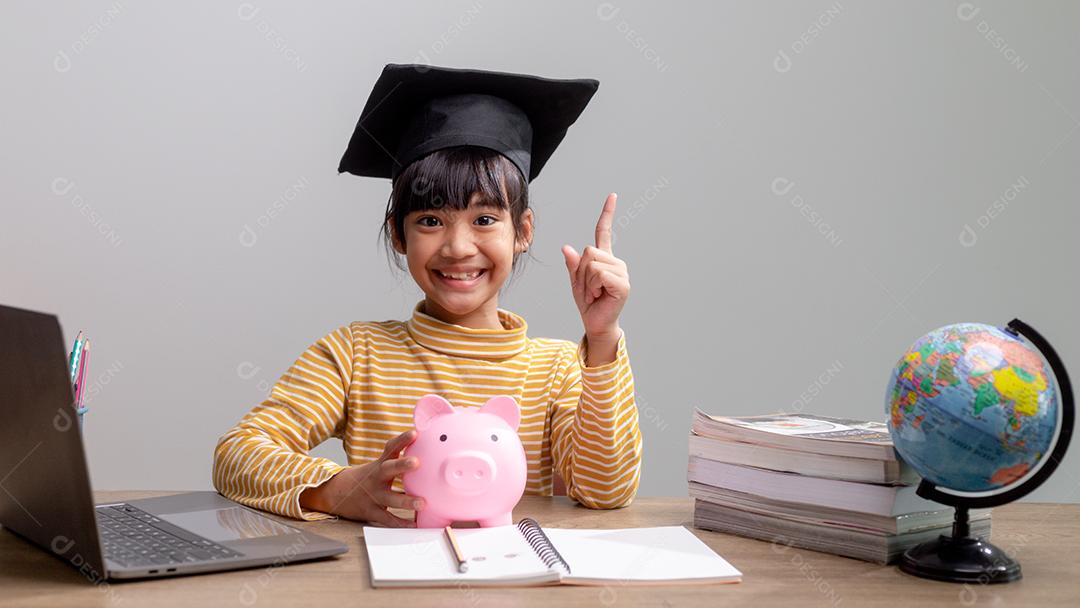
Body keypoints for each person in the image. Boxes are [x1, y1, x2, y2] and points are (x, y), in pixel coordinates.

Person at [212, 64, 641, 526]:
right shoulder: (357, 354)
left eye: (484, 219)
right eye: (431, 221)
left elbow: (606, 492)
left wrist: (601, 338)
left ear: (523, 231)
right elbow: (236, 454)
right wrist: (338, 489)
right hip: (381, 587)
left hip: (508, 585)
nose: (458, 248)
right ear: (398, 234)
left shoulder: (556, 370)